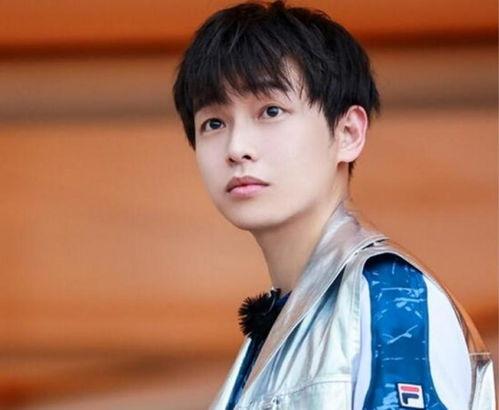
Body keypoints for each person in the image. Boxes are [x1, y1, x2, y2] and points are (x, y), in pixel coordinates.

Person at [172, 1, 496, 409]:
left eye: (271, 111)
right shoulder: (275, 325)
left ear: (348, 133)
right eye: (214, 123)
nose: (237, 148)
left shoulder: (391, 295)